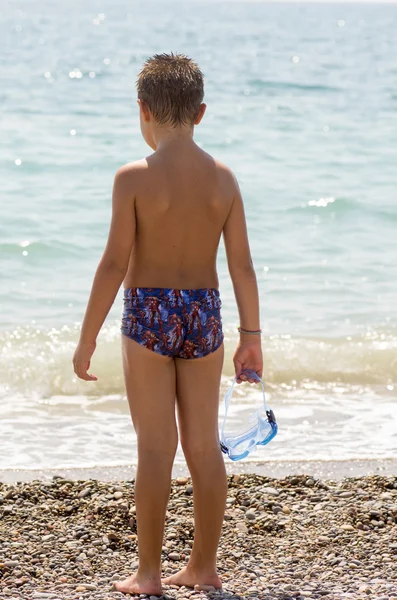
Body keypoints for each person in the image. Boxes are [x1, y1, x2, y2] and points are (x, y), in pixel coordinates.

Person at [73, 53, 262, 597]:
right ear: (201, 113)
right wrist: (251, 339)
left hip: (148, 313)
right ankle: (204, 567)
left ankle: (149, 573)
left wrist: (87, 339)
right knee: (203, 445)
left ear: (143, 111)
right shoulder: (223, 180)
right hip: (203, 312)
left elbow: (113, 263)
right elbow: (242, 266)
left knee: (155, 446)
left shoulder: (132, 177)